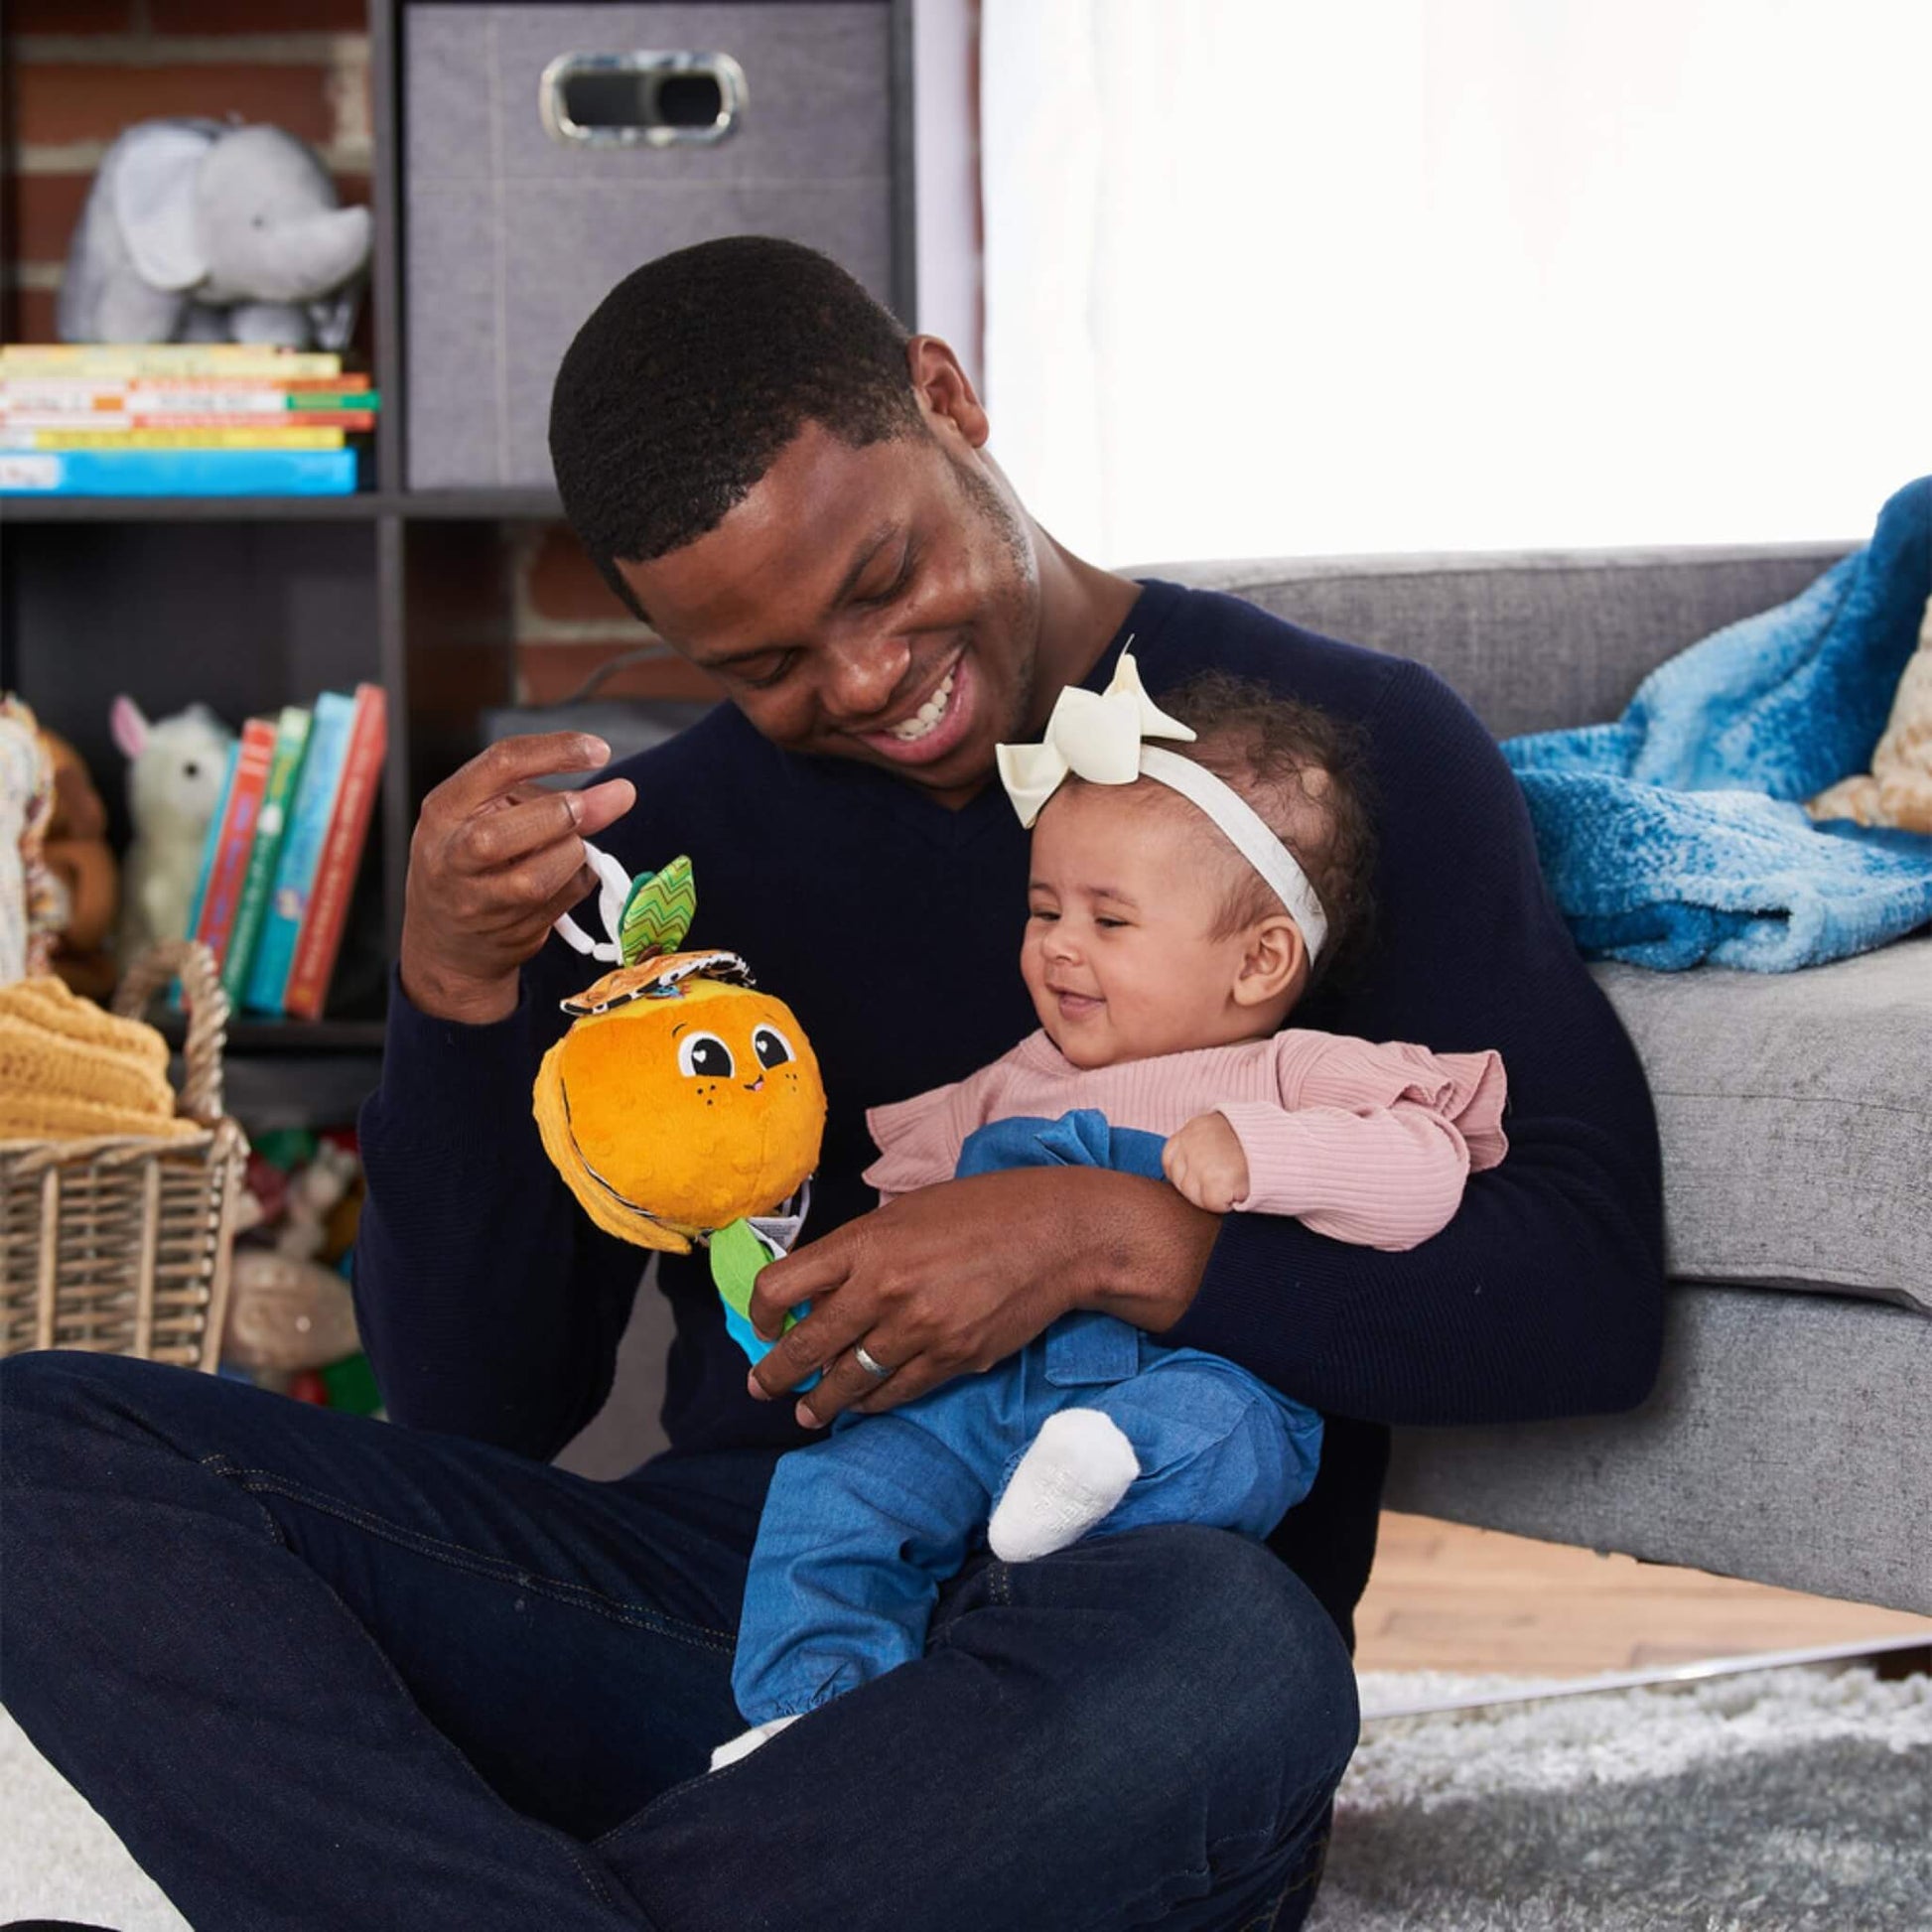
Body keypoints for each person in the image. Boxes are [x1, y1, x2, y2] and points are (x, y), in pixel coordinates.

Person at [0, 236, 1664, 1932]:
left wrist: (1104, 1238)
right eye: (766, 666)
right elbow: (474, 1412)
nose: (864, 682)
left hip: (1107, 1646)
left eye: (881, 580)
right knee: (34, 1449)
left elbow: (1584, 1291)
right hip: (731, 1612)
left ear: (946, 399)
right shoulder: (648, 868)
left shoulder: (1322, 764)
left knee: (1237, 1657)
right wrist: (455, 996)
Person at [719, 655, 1510, 1769]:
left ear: (1259, 961)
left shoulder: (1293, 1072)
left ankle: (1100, 1474)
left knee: (1234, 1436)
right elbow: (909, 1232)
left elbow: (1427, 1172)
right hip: (983, 1398)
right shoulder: (1006, 1083)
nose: (1057, 944)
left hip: (1187, 1376)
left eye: (1108, 918)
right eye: (1044, 908)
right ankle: (812, 1720)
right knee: (831, 1496)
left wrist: (1264, 1152)